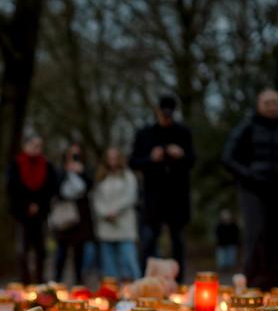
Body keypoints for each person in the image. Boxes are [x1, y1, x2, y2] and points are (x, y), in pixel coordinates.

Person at [221, 88, 278, 291]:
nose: (271, 107)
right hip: (253, 190)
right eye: (267, 103)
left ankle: (274, 283)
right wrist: (248, 175)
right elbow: (228, 158)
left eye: (275, 102)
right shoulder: (247, 127)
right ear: (259, 105)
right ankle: (252, 283)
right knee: (256, 234)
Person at [130, 94, 195, 276]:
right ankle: (146, 279)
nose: (166, 117)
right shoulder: (145, 134)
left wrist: (181, 155)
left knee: (178, 242)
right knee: (148, 240)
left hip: (177, 196)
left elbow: (192, 160)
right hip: (153, 197)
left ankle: (177, 281)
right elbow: (133, 162)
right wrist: (150, 158)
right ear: (157, 111)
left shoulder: (183, 133)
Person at [7, 133, 57, 284]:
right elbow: (13, 188)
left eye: (39, 146)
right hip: (22, 214)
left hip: (41, 214)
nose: (37, 149)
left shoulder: (47, 165)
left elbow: (50, 188)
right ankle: (25, 280)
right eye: (34, 145)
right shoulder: (16, 164)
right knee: (22, 249)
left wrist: (38, 205)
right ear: (26, 146)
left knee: (41, 249)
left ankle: (40, 278)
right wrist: (27, 205)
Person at [91, 147, 139, 282]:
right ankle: (112, 291)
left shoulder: (128, 176)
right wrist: (104, 212)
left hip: (124, 225)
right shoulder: (101, 177)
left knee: (129, 261)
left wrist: (115, 211)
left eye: (115, 158)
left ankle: (135, 288)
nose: (112, 161)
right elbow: (96, 199)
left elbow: (130, 197)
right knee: (109, 267)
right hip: (106, 225)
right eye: (109, 158)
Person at [51, 140, 93, 285]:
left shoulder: (85, 169)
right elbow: (55, 189)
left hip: (81, 216)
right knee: (61, 250)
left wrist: (81, 172)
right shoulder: (60, 170)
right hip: (64, 215)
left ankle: (79, 282)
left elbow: (91, 185)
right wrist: (66, 172)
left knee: (79, 251)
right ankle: (57, 281)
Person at [214, 208, 240, 272]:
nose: (226, 217)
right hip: (221, 245)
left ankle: (230, 270)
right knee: (222, 260)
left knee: (231, 259)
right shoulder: (219, 225)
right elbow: (217, 234)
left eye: (227, 215)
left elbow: (236, 234)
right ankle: (223, 270)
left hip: (231, 244)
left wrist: (236, 242)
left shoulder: (234, 225)